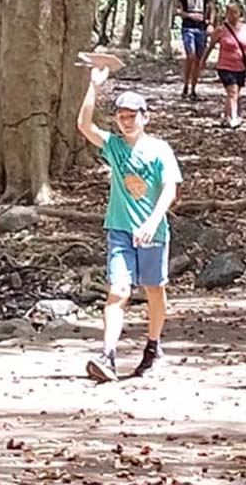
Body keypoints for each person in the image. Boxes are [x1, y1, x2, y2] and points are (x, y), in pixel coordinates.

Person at [77, 67, 183, 382]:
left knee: (154, 290)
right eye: (122, 115)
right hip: (120, 230)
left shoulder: (160, 150)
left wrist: (152, 222)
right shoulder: (113, 146)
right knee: (119, 291)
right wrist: (94, 86)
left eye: (132, 115)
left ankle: (153, 346)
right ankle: (107, 355)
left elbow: (170, 189)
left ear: (145, 117)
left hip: (153, 234)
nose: (127, 120)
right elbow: (84, 125)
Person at [202, 1, 246, 128]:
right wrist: (203, 61)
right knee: (232, 90)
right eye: (229, 12)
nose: (232, 15)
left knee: (235, 92)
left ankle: (227, 116)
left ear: (239, 13)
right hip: (225, 66)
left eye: (235, 12)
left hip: (241, 65)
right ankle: (233, 118)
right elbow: (210, 46)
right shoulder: (221, 30)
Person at [176, 0, 216, 101]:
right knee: (191, 56)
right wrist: (189, 15)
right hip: (188, 27)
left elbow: (212, 8)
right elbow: (177, 10)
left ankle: (193, 88)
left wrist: (210, 23)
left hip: (202, 29)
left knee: (199, 59)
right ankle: (185, 84)